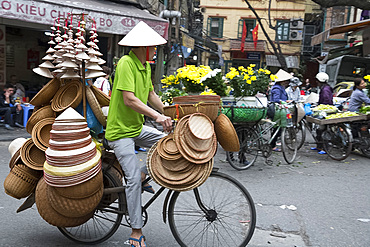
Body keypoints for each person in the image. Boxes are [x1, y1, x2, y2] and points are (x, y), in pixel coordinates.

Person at [105, 21, 172, 247]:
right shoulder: (126, 63)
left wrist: (169, 113)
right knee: (132, 179)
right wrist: (157, 117)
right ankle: (135, 232)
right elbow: (129, 99)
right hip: (119, 132)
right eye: (153, 46)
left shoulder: (145, 66)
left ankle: (144, 175)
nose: (155, 50)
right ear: (143, 46)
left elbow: (151, 93)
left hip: (135, 128)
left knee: (169, 142)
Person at [269, 69, 293, 151]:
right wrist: (285, 101)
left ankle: (273, 144)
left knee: (278, 128)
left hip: (280, 110)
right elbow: (276, 99)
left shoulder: (280, 88)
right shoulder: (277, 88)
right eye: (286, 81)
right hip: (276, 110)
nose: (287, 83)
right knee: (277, 128)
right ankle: (272, 145)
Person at [313, 72, 333, 154]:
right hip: (325, 110)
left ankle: (325, 148)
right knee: (319, 130)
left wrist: (319, 108)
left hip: (325, 111)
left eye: (317, 81)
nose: (316, 82)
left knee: (322, 129)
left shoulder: (325, 90)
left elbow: (326, 101)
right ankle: (319, 146)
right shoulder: (325, 88)